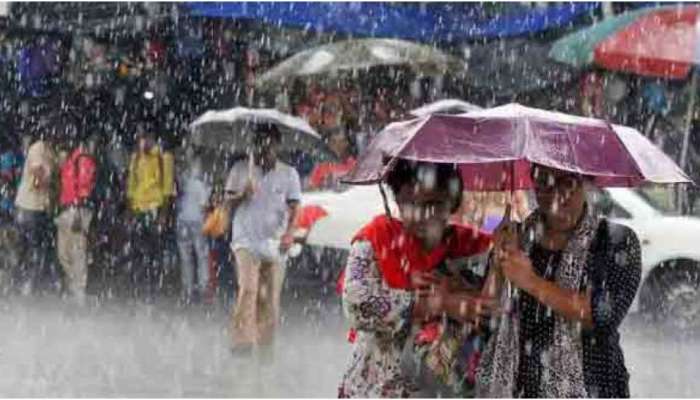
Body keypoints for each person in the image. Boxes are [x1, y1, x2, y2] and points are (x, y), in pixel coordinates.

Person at [476, 164, 642, 398]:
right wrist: (498, 262)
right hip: (521, 387)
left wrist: (531, 281)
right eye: (544, 183)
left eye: (567, 183)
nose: (556, 197)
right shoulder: (518, 238)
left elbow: (602, 316)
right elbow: (486, 315)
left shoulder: (616, 242)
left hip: (592, 385)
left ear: (586, 182)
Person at [337, 159, 496, 398]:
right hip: (377, 386)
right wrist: (437, 304)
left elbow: (494, 306)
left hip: (443, 387)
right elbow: (357, 304)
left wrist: (466, 291)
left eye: (433, 204)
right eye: (412, 203)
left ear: (452, 202)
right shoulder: (376, 239)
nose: (423, 214)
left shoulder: (474, 247)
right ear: (398, 202)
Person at [225, 123, 301, 353]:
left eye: (269, 145)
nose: (264, 150)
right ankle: (242, 343)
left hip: (275, 242)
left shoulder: (289, 174)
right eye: (260, 144)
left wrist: (289, 234)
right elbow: (227, 203)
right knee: (248, 288)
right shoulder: (240, 169)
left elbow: (296, 208)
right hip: (245, 240)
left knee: (269, 297)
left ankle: (265, 344)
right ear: (254, 146)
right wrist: (242, 194)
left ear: (277, 146)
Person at [125, 128, 175, 300]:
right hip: (139, 209)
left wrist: (163, 215)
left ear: (152, 138)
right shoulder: (136, 157)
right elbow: (131, 186)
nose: (142, 142)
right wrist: (130, 212)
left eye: (144, 138)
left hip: (155, 209)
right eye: (139, 139)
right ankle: (138, 287)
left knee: (154, 251)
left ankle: (153, 288)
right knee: (137, 251)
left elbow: (168, 189)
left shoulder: (163, 158)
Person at [13, 129, 59, 293]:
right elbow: (37, 176)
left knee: (31, 247)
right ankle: (28, 284)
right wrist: (51, 182)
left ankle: (24, 282)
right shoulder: (38, 148)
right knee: (33, 247)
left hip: (37, 207)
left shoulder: (51, 151)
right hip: (30, 207)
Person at [55, 134, 98, 303]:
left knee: (78, 251)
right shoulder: (69, 161)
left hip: (77, 210)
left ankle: (79, 290)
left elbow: (85, 188)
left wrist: (78, 211)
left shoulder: (83, 159)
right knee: (63, 252)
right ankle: (74, 286)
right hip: (66, 210)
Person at [176, 144, 212, 304]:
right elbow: (204, 206)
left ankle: (187, 291)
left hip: (183, 220)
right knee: (201, 257)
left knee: (186, 258)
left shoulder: (183, 178)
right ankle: (203, 290)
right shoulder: (202, 182)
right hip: (197, 222)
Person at [306, 126, 357, 191]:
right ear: (329, 144)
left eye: (341, 141)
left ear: (346, 143)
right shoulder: (322, 166)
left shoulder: (354, 165)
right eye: (334, 141)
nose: (338, 145)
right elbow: (312, 189)